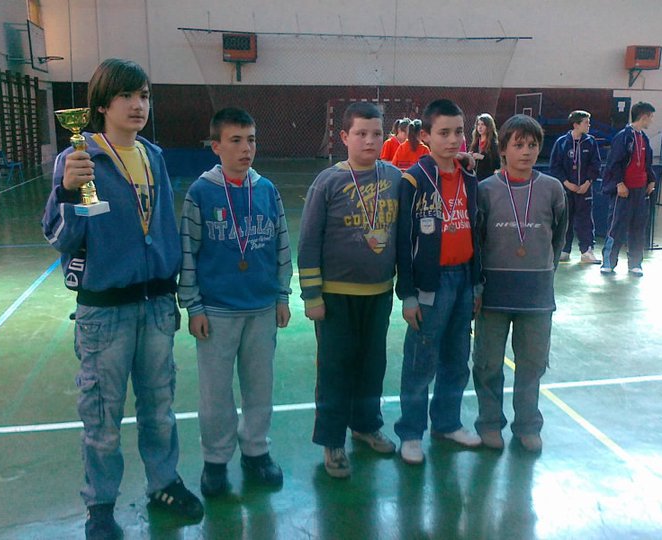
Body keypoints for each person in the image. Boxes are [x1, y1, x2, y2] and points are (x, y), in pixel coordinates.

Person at [41, 58, 203, 540]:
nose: (138, 105)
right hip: (105, 311)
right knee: (102, 415)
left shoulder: (153, 156)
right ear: (102, 104)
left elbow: (164, 225)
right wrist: (67, 193)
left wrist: (175, 288)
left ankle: (163, 483)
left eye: (145, 96)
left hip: (156, 306)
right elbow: (60, 236)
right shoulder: (79, 158)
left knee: (160, 407)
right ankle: (101, 506)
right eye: (127, 96)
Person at [178, 107, 292, 497]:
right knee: (215, 393)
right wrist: (193, 306)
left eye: (251, 140)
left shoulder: (267, 190)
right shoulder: (201, 193)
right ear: (216, 146)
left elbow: (281, 245)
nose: (246, 149)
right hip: (217, 312)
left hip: (261, 309)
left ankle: (256, 452)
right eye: (236, 141)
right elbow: (188, 252)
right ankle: (215, 460)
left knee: (260, 388)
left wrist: (282, 294)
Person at [298, 102, 402, 478]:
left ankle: (365, 425)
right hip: (336, 297)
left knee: (372, 365)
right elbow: (308, 241)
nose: (369, 140)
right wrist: (312, 296)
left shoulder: (394, 178)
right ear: (344, 137)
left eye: (376, 133)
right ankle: (332, 441)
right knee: (335, 369)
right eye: (361, 133)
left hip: (379, 293)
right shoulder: (328, 182)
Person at [472, 114, 568, 453]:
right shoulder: (485, 190)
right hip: (494, 295)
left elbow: (559, 236)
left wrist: (543, 270)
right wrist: (477, 287)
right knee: (487, 364)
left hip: (537, 296)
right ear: (503, 149)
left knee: (532, 364)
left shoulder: (552, 189)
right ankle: (489, 423)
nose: (526, 151)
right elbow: (476, 243)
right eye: (519, 145)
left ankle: (527, 425)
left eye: (532, 145)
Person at [394, 99, 483, 465]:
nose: (453, 140)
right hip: (431, 283)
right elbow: (402, 242)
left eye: (458, 132)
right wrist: (408, 294)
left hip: (464, 278)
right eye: (443, 133)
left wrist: (476, 283)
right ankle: (411, 432)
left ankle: (447, 423)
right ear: (426, 136)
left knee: (457, 359)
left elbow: (477, 233)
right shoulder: (414, 180)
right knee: (420, 359)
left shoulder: (469, 178)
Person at [600, 101, 657, 276]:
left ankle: (635, 264)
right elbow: (614, 163)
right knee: (616, 226)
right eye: (651, 117)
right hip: (624, 191)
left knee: (638, 227)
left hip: (640, 191)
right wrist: (619, 183)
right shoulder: (623, 137)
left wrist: (651, 180)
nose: (652, 121)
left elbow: (647, 163)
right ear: (644, 116)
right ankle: (608, 262)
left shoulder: (644, 138)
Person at [549, 110, 602, 264]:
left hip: (585, 190)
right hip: (566, 190)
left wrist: (587, 183)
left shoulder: (591, 142)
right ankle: (564, 250)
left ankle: (587, 251)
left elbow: (595, 165)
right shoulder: (562, 142)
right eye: (586, 122)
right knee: (565, 220)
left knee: (585, 220)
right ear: (576, 125)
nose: (589, 125)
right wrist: (567, 183)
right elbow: (555, 166)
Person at [469, 113, 501, 181]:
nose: (480, 127)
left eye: (482, 124)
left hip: (487, 179)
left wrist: (482, 157)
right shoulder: (476, 142)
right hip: (474, 178)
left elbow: (497, 164)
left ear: (488, 126)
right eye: (478, 124)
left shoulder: (493, 143)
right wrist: (469, 156)